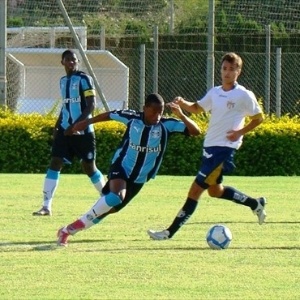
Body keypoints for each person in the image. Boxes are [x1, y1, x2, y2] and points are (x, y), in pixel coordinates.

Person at [147, 52, 267, 241]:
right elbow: (197, 108)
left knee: (195, 190)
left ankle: (169, 232)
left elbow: (259, 118)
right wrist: (182, 104)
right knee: (215, 191)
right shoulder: (215, 92)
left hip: (224, 149)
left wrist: (239, 133)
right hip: (210, 147)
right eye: (224, 69)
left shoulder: (243, 95)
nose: (227, 73)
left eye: (231, 69)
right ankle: (255, 203)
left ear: (238, 71)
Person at [56, 93, 201, 246]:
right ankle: (69, 230)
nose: (157, 116)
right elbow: (110, 115)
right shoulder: (132, 118)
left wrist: (182, 115)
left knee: (110, 209)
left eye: (161, 111)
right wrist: (87, 122)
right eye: (154, 111)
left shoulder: (167, 125)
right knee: (115, 197)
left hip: (140, 178)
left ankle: (67, 230)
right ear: (145, 109)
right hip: (122, 166)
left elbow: (195, 131)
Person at [33, 49, 105, 216]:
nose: (71, 62)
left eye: (74, 60)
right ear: (62, 62)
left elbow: (91, 105)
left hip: (83, 132)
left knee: (89, 167)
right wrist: (58, 126)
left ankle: (107, 198)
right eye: (68, 60)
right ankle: (46, 206)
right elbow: (65, 106)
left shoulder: (84, 79)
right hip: (65, 130)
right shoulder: (63, 81)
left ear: (77, 62)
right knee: (55, 162)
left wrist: (76, 125)